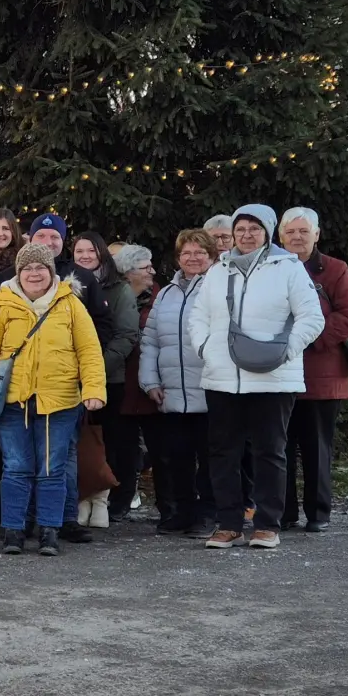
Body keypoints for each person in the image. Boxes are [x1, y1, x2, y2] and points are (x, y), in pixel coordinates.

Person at [188, 204, 325, 550]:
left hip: (273, 377)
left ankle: (267, 524)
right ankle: (229, 523)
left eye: (254, 228)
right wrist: (205, 347)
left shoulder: (289, 269)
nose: (246, 235)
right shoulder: (217, 271)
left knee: (270, 453)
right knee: (223, 453)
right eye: (241, 229)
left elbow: (312, 317)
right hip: (222, 377)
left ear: (267, 232)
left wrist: (286, 351)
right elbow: (199, 316)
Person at [0, 243, 107, 557]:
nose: (34, 273)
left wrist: (94, 390)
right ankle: (14, 531)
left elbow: (89, 351)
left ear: (51, 271)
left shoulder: (69, 303)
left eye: (40, 267)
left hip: (60, 401)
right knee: (15, 467)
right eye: (27, 268)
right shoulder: (1, 304)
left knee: (52, 469)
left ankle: (49, 532)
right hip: (14, 401)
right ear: (18, 272)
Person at [279, 207, 348, 533]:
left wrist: (309, 339)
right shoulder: (272, 269)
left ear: (316, 234)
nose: (297, 237)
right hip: (277, 374)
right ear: (281, 236)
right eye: (291, 232)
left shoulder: (334, 270)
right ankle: (283, 513)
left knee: (316, 448)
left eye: (303, 231)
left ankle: (318, 514)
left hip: (322, 373)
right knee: (278, 448)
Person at [140, 229, 216, 536]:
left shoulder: (218, 288)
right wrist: (150, 381)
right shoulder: (167, 294)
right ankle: (183, 512)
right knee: (178, 458)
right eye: (187, 252)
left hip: (211, 390)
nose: (193, 258)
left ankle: (209, 514)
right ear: (178, 257)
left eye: (200, 252)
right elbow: (151, 341)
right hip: (173, 391)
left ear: (211, 256)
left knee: (211, 459)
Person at [72, 231, 143, 521]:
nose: (85, 256)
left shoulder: (118, 289)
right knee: (83, 442)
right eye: (79, 252)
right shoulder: (67, 285)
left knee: (112, 441)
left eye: (91, 250)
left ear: (102, 254)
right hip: (73, 378)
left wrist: (95, 367)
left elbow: (127, 334)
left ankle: (113, 501)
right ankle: (84, 498)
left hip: (107, 377)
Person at [111, 244, 163, 527]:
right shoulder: (115, 297)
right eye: (145, 268)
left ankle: (167, 505)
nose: (151, 272)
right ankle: (120, 501)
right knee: (123, 448)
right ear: (128, 272)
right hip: (121, 383)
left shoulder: (159, 296)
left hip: (152, 382)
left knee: (159, 448)